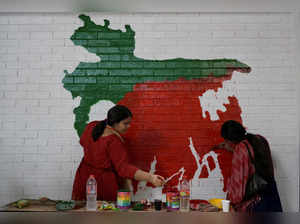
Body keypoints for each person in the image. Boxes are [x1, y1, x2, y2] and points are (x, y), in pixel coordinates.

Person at [72, 105, 165, 201]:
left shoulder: (91, 126)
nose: (129, 126)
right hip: (103, 183)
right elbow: (124, 169)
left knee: (82, 211)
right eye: (125, 123)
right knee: (105, 213)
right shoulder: (114, 141)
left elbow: (82, 142)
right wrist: (151, 178)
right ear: (115, 123)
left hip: (84, 177)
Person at [212, 120, 282, 212]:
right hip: (272, 197)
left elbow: (237, 195)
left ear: (229, 140)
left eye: (226, 140)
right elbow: (253, 158)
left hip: (257, 205)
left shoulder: (241, 150)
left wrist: (228, 202)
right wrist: (231, 147)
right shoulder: (260, 139)